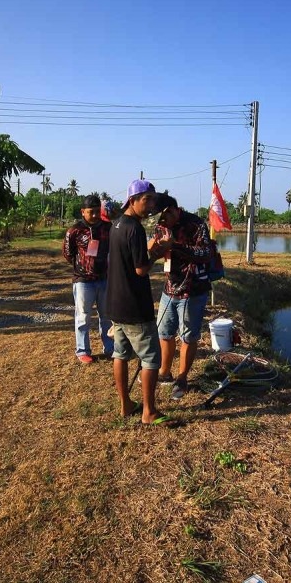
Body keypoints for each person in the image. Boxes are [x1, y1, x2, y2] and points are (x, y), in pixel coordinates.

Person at [105, 179, 173, 424]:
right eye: (147, 199)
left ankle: (126, 405)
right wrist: (158, 251)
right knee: (151, 358)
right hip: (134, 305)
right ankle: (149, 411)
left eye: (153, 199)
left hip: (115, 303)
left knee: (120, 354)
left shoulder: (116, 225)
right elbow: (140, 269)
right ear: (132, 200)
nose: (152, 204)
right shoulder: (134, 228)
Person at [150, 192, 213, 399]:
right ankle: (164, 372)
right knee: (164, 332)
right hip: (170, 287)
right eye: (159, 218)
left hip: (193, 290)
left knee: (188, 335)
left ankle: (182, 377)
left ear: (175, 210)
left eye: (166, 216)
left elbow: (205, 254)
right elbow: (157, 251)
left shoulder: (196, 224)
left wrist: (175, 245)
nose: (162, 221)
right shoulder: (160, 225)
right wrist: (154, 249)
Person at [63, 194, 113, 363]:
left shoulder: (108, 228)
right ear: (82, 212)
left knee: (106, 316)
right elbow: (68, 254)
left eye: (97, 211)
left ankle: (110, 348)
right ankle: (83, 351)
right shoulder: (74, 231)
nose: (94, 215)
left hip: (104, 279)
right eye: (91, 212)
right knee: (83, 316)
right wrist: (84, 266)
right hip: (83, 281)